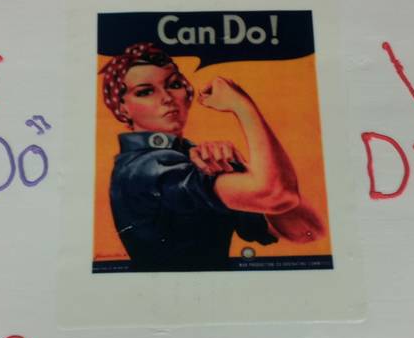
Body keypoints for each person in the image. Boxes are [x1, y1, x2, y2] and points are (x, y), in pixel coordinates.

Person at [101, 42, 323, 272]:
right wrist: (243, 106)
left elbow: (306, 232)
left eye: (174, 84)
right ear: (122, 108)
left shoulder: (189, 158)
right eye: (145, 92)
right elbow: (277, 195)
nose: (167, 97)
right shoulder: (146, 167)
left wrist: (242, 170)